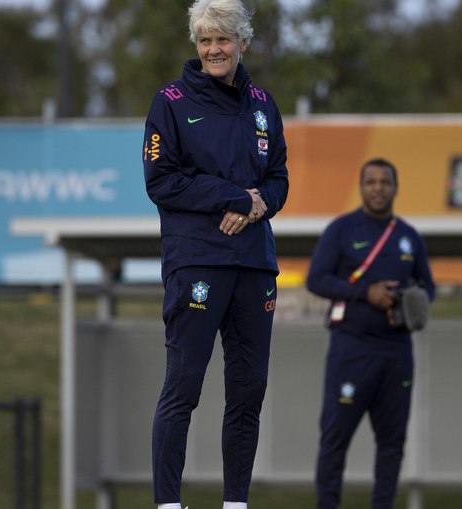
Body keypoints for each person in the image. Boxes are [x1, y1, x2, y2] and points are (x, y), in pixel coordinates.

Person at [141, 0, 289, 507]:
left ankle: (235, 502)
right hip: (198, 262)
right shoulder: (171, 101)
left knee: (249, 391)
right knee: (183, 387)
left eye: (223, 39)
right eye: (205, 40)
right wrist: (236, 198)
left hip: (254, 263)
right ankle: (167, 502)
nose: (214, 49)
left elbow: (279, 181)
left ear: (242, 42)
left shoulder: (265, 104)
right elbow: (161, 181)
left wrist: (257, 206)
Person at [306, 158, 435, 509]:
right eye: (371, 182)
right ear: (362, 187)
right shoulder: (342, 230)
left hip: (397, 353)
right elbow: (316, 279)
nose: (378, 188)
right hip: (351, 350)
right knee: (335, 438)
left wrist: (412, 303)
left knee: (392, 442)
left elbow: (429, 287)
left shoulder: (408, 237)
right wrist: (367, 292)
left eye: (385, 182)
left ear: (395, 187)